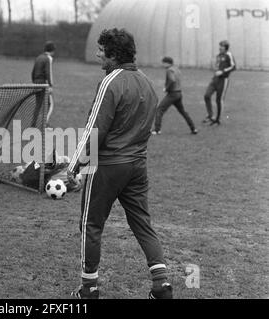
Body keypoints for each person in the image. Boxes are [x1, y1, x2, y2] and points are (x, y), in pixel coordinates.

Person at [67, 28, 172, 299]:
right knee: (142, 223)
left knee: (91, 224)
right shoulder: (147, 82)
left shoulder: (111, 81)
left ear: (113, 55)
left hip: (109, 166)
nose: (97, 54)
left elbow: (95, 128)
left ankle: (89, 289)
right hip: (138, 166)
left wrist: (75, 164)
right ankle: (161, 283)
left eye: (101, 50)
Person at [152, 56, 197, 135]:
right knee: (183, 112)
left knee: (159, 109)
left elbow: (172, 80)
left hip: (172, 94)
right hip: (179, 93)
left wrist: (166, 88)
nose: (162, 65)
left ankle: (157, 130)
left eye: (163, 63)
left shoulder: (169, 70)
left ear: (167, 63)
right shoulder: (177, 69)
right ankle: (193, 128)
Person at [203, 40, 236, 125]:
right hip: (215, 79)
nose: (220, 48)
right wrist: (214, 68)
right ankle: (210, 115)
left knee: (219, 100)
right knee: (207, 96)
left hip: (223, 80)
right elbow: (217, 66)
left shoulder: (229, 55)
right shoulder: (218, 55)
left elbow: (233, 66)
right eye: (220, 46)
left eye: (222, 46)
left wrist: (223, 71)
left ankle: (218, 119)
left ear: (226, 48)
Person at [31, 41, 56, 127]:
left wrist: (34, 82)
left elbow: (33, 72)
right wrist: (50, 85)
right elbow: (48, 72)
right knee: (50, 104)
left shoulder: (38, 57)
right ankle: (45, 123)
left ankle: (33, 124)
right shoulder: (48, 58)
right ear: (52, 50)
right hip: (43, 84)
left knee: (38, 104)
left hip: (35, 83)